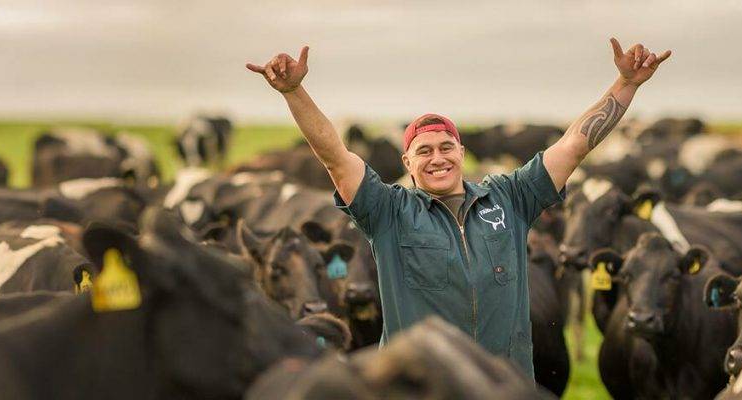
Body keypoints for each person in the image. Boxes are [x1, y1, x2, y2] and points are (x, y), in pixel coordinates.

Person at [247, 39, 671, 377]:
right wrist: (294, 92)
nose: (438, 158)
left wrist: (626, 85)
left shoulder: (510, 197)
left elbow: (574, 145)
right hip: (421, 389)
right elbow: (335, 157)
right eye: (424, 151)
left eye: (446, 146)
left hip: (504, 385)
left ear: (461, 152)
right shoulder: (388, 212)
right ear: (407, 164)